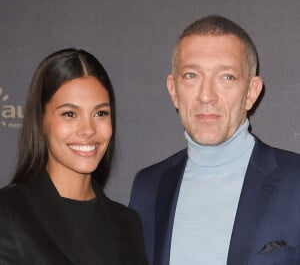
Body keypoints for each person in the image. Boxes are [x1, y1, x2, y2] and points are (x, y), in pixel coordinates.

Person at [129, 15, 300, 265]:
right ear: (173, 90)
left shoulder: (295, 182)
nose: (206, 96)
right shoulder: (147, 187)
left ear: (251, 92)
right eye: (191, 76)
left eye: (226, 77)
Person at [0, 48, 148, 265]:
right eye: (70, 114)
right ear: (41, 120)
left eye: (100, 113)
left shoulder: (127, 223)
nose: (88, 130)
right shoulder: (9, 213)